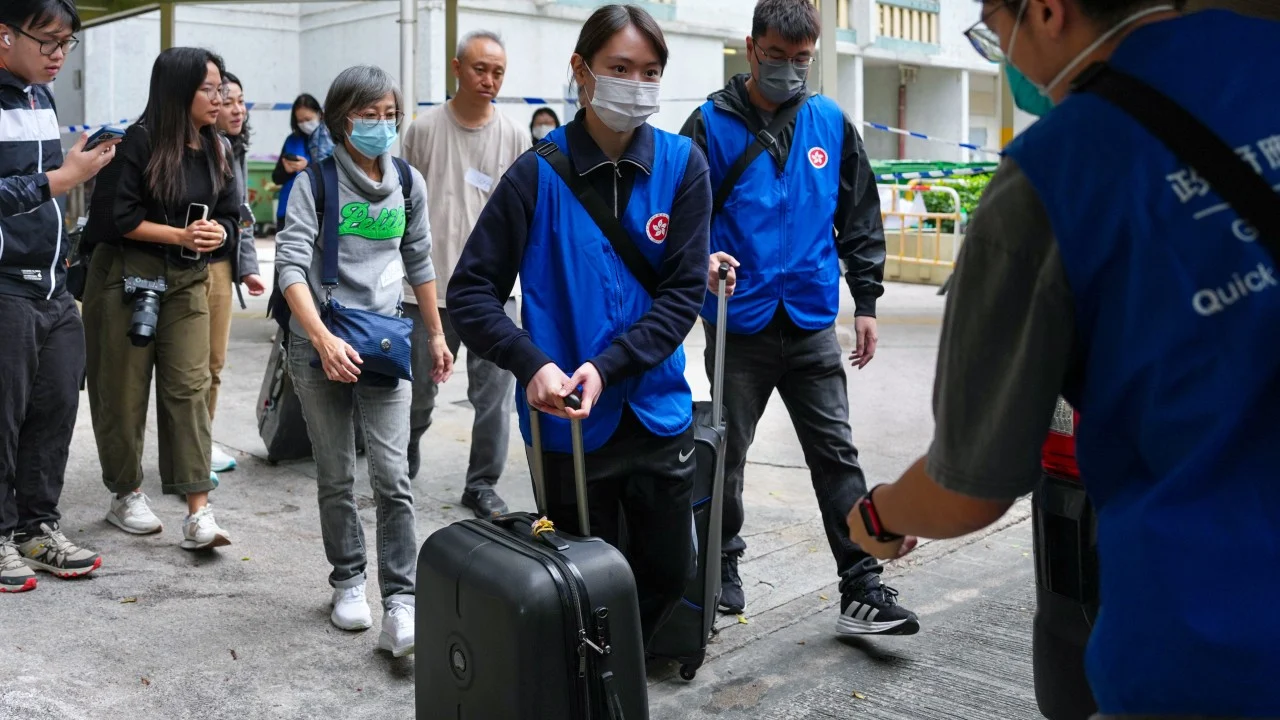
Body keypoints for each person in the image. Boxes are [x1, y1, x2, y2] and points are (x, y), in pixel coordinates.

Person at [851, 2, 1278, 718]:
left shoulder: (1053, 174)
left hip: (1214, 649)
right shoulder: (1265, 52)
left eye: (994, 29)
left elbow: (968, 490)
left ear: (1047, 11)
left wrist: (878, 514)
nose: (1003, 55)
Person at [448, 4, 711, 644]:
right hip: (567, 421)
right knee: (580, 580)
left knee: (668, 569)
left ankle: (622, 666)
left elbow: (681, 297)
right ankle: (595, 676)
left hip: (658, 410)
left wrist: (609, 365)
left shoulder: (683, 166)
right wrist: (531, 363)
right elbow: (471, 293)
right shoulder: (536, 173)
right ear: (581, 70)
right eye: (619, 68)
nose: (636, 84)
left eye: (650, 72)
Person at [678, 0, 917, 636]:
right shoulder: (707, 126)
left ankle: (862, 585)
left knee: (836, 453)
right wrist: (702, 262)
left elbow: (858, 216)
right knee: (726, 455)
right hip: (739, 323)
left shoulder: (830, 123)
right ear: (751, 48)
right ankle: (721, 566)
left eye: (801, 58)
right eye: (777, 56)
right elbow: (680, 220)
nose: (789, 68)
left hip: (810, 320)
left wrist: (866, 302)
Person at [276, 64, 452, 657]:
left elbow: (419, 259)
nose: (382, 125)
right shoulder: (317, 183)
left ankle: (401, 600)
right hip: (319, 342)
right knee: (336, 475)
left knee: (393, 477)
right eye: (369, 115)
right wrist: (322, 340)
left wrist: (435, 334)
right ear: (341, 119)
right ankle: (348, 580)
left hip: (382, 343)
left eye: (390, 114)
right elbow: (290, 266)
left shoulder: (407, 181)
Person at [81, 47, 238, 551]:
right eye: (208, 89)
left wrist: (219, 233)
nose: (219, 99)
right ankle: (125, 493)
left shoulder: (218, 148)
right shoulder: (137, 142)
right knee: (121, 390)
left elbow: (232, 216)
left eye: (220, 89)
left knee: (190, 387)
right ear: (178, 91)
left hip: (188, 278)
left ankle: (198, 510)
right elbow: (116, 217)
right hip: (125, 275)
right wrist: (181, 236)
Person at [0, 0, 112, 593]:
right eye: (48, 41)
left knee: (55, 410)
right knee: (4, 416)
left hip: (51, 284)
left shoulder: (40, 98)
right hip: (4, 284)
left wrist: (70, 170)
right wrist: (63, 178)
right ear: (4, 35)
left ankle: (36, 528)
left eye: (67, 43)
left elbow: (42, 190)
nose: (59, 55)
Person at [399, 29, 528, 518]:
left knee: (494, 398)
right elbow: (403, 206)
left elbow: (523, 214)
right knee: (416, 391)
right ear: (457, 69)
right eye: (480, 69)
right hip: (426, 290)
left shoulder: (514, 135)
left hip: (494, 292)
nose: (489, 79)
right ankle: (406, 450)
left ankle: (482, 484)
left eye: (498, 72)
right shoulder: (424, 131)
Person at [206, 70, 265, 476]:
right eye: (227, 102)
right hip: (197, 266)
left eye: (241, 101)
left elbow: (240, 216)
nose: (237, 109)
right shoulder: (201, 149)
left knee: (213, 364)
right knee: (195, 368)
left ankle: (198, 441)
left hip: (223, 266)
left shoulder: (235, 147)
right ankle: (189, 447)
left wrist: (248, 269)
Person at [271, 93, 334, 232]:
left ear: (319, 114)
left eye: (308, 119)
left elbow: (333, 173)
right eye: (300, 121)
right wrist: (287, 170)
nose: (305, 124)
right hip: (288, 210)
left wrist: (308, 167)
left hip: (318, 211)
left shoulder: (331, 140)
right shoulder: (292, 140)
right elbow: (276, 177)